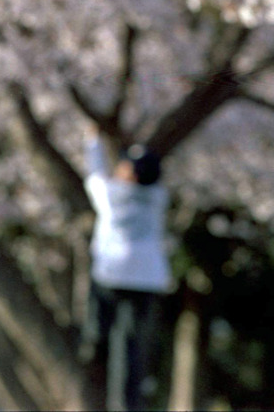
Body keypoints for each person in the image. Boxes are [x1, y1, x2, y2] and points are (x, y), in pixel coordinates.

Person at [82, 127, 172, 411]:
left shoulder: (112, 194)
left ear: (132, 174)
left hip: (111, 274)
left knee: (98, 335)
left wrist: (93, 142)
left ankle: (93, 373)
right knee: (131, 346)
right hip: (147, 279)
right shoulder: (158, 198)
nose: (118, 169)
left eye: (124, 166)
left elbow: (95, 175)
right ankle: (126, 405)